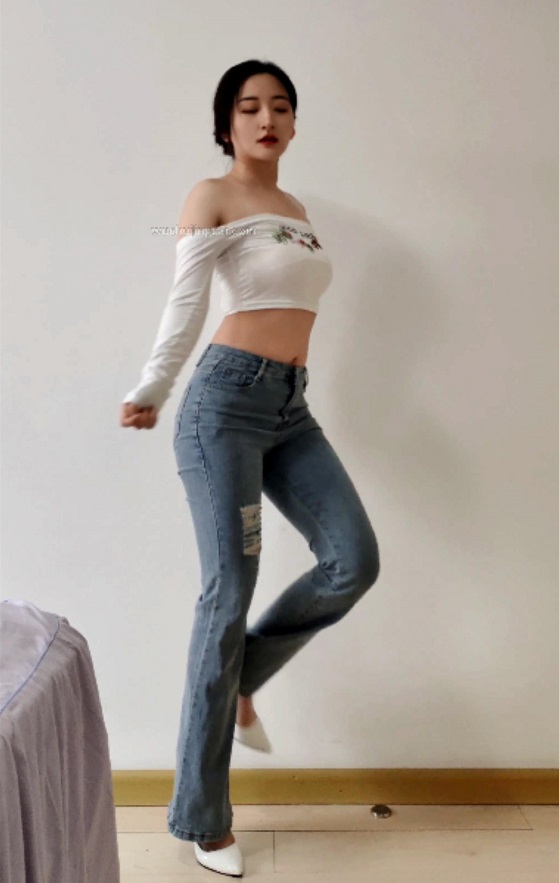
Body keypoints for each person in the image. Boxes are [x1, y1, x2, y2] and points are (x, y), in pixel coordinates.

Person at [120, 59, 380, 878]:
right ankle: (202, 819)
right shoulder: (211, 196)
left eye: (279, 107)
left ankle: (242, 678)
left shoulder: (297, 211)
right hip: (224, 406)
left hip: (289, 408)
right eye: (248, 107)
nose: (266, 119)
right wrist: (153, 387)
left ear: (294, 123)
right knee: (226, 595)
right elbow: (187, 300)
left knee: (352, 560)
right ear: (226, 124)